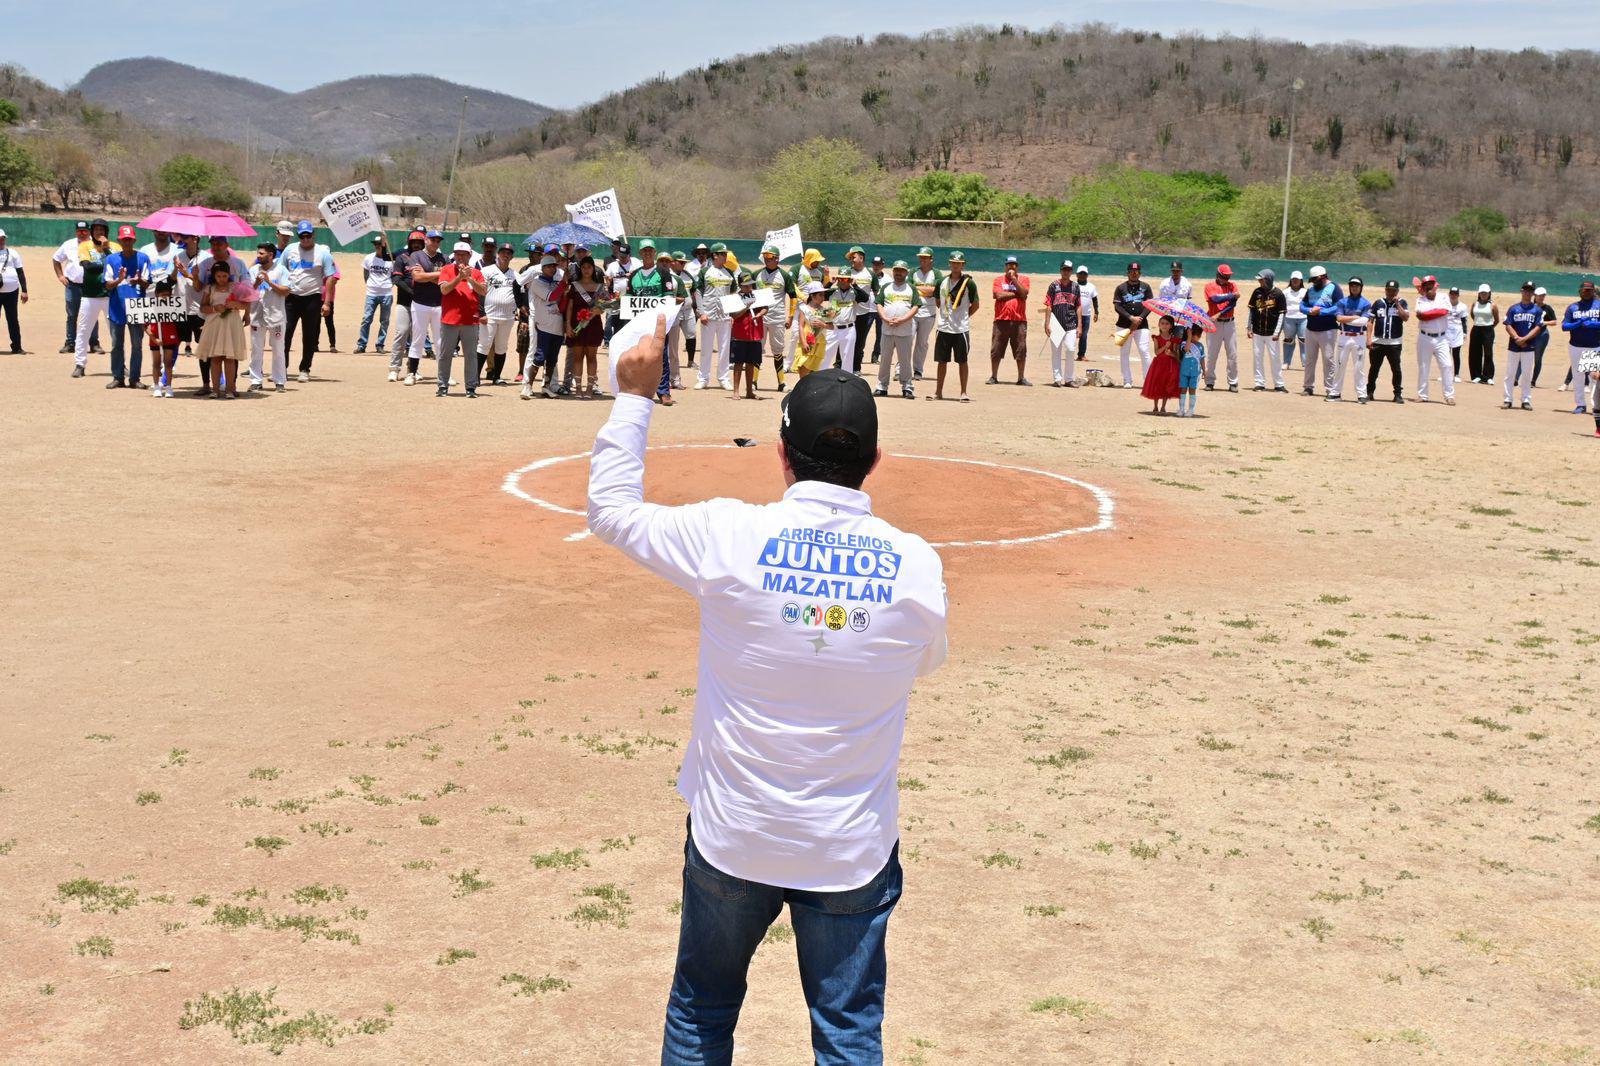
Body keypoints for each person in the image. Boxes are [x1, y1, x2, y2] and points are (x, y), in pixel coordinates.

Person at [588, 329, 947, 1066]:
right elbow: (924, 662)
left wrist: (632, 398)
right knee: (846, 1029)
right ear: (873, 461)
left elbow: (613, 513)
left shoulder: (729, 534)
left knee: (703, 1007)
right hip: (848, 844)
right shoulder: (914, 564)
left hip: (735, 832)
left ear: (783, 455)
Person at [190, 237, 251, 397]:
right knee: (213, 355)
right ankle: (212, 388)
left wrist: (242, 309)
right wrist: (195, 277)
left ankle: (231, 387)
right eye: (213, 244)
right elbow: (199, 290)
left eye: (219, 244)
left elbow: (247, 294)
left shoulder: (239, 265)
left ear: (226, 245)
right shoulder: (204, 264)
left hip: (231, 321)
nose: (216, 246)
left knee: (230, 355)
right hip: (212, 321)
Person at [279, 221, 339, 383]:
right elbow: (280, 271)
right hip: (291, 298)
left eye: (308, 236)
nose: (305, 239)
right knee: (285, 333)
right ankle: (281, 368)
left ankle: (305, 368)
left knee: (310, 335)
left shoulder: (323, 253)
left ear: (313, 235)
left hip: (312, 298)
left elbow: (330, 278)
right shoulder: (289, 251)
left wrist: (327, 303)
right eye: (302, 236)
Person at [625, 240, 682, 404]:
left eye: (650, 250)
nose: (648, 253)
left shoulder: (663, 273)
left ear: (654, 252)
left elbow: (668, 297)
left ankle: (664, 392)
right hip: (639, 322)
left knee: (661, 357)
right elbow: (629, 299)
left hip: (658, 323)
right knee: (638, 355)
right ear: (640, 253)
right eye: (644, 251)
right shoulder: (634, 275)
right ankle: (639, 390)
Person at [103, 225, 151, 390]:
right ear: (119, 241)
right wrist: (119, 280)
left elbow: (147, 283)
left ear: (134, 240)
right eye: (124, 240)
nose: (127, 242)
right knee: (117, 344)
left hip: (137, 307)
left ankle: (135, 378)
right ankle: (118, 377)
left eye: (129, 239)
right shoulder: (111, 260)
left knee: (137, 345)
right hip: (117, 307)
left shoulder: (143, 258)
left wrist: (139, 281)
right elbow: (108, 285)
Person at [437, 241, 487, 398]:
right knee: (445, 354)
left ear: (469, 256)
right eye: (457, 254)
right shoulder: (446, 270)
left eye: (463, 254)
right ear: (454, 255)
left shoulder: (477, 272)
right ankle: (442, 385)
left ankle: (471, 387)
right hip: (449, 320)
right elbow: (444, 290)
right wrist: (459, 277)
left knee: (471, 355)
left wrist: (470, 278)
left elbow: (483, 291)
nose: (460, 257)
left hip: (470, 321)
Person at [519, 252, 566, 399]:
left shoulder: (557, 283)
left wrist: (565, 292)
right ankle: (527, 386)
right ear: (543, 268)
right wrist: (564, 284)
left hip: (557, 325)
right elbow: (550, 297)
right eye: (549, 266)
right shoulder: (536, 282)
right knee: (539, 357)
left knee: (552, 359)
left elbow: (561, 305)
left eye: (554, 266)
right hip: (543, 325)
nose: (552, 269)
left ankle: (546, 387)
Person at [933, 251, 978, 402]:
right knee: (941, 361)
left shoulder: (969, 283)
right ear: (949, 264)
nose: (955, 265)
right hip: (944, 327)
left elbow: (976, 305)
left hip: (961, 329)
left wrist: (964, 316)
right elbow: (938, 302)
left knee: (962, 361)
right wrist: (947, 315)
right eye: (953, 262)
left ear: (963, 265)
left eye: (958, 263)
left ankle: (963, 392)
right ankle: (938, 392)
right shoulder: (941, 282)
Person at [71, 221, 114, 380]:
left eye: (101, 230)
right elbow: (88, 267)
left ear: (106, 232)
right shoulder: (85, 246)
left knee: (116, 332)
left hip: (111, 295)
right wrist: (106, 263)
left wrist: (106, 249)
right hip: (90, 294)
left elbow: (117, 266)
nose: (98, 232)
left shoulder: (115, 247)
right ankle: (80, 364)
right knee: (83, 330)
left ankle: (120, 365)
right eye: (95, 229)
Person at [405, 230, 448, 387]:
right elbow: (417, 277)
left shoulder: (444, 258)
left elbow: (446, 281)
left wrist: (428, 275)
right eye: (433, 240)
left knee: (440, 341)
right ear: (426, 240)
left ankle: (443, 375)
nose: (435, 243)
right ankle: (412, 373)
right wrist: (437, 274)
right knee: (418, 339)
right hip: (420, 303)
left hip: (439, 304)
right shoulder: (417, 256)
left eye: (438, 241)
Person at [873, 260, 921, 399]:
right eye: (896, 270)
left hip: (904, 330)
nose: (898, 273)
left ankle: (907, 387)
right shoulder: (886, 287)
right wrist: (885, 318)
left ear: (907, 272)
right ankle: (882, 387)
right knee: (885, 359)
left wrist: (903, 319)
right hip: (887, 330)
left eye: (901, 270)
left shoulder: (911, 288)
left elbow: (916, 306)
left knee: (905, 360)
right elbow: (879, 304)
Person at [751, 246, 796, 393]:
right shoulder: (757, 274)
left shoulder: (784, 275)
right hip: (759, 318)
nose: (766, 259)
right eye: (765, 257)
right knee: (757, 348)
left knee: (778, 350)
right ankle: (753, 381)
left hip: (777, 318)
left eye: (770, 257)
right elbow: (747, 292)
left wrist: (790, 316)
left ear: (777, 259)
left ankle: (781, 382)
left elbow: (793, 296)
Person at [693, 243, 737, 390]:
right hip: (708, 315)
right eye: (722, 254)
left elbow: (733, 293)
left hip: (724, 316)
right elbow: (698, 291)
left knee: (725, 349)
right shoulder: (705, 271)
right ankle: (703, 378)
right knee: (706, 348)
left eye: (726, 254)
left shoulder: (729, 273)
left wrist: (731, 313)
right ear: (715, 255)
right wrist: (701, 312)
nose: (725, 256)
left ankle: (723, 378)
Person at [564, 255, 608, 398]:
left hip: (593, 325)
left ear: (593, 268)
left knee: (591, 357)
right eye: (584, 267)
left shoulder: (600, 287)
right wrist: (568, 325)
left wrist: (597, 311)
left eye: (589, 267)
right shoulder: (575, 286)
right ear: (580, 269)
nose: (586, 270)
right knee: (577, 357)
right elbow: (569, 307)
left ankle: (589, 388)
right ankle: (577, 388)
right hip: (577, 325)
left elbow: (604, 307)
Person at [53, 220, 100, 355]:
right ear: (76, 231)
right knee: (72, 315)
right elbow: (56, 259)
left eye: (84, 230)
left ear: (89, 231)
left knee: (92, 315)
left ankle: (94, 344)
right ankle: (70, 343)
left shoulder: (95, 244)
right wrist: (60, 276)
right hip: (72, 285)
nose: (82, 233)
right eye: (79, 231)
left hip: (90, 285)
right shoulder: (68, 244)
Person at [248, 242, 290, 393]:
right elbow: (247, 293)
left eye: (261, 253)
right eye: (258, 253)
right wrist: (255, 284)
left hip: (276, 315)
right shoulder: (253, 270)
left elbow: (286, 290)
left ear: (271, 255)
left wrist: (269, 282)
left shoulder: (281, 270)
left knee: (278, 349)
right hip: (257, 315)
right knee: (256, 349)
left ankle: (279, 381)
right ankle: (255, 380)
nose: (258, 256)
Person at [477, 243, 520, 385]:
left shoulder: (515, 275)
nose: (505, 255)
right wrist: (481, 312)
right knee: (484, 345)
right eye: (503, 252)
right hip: (489, 315)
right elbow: (479, 293)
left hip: (507, 317)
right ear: (498, 254)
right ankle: (475, 376)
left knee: (502, 346)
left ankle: (497, 377)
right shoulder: (487, 271)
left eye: (509, 253)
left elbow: (520, 294)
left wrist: (519, 310)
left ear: (512, 256)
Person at [1411, 275, 1455, 405]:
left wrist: (1428, 314)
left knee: (1447, 365)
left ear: (1435, 285)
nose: (1429, 286)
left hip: (1442, 338)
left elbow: (1444, 311)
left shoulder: (1444, 297)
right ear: (1423, 287)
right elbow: (1420, 316)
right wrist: (1433, 313)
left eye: (1431, 284)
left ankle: (1449, 396)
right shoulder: (1420, 300)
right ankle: (1423, 395)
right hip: (1425, 337)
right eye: (1426, 285)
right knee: (1424, 367)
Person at [1328, 277, 1373, 404]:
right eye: (1352, 285)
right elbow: (1339, 318)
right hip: (1344, 336)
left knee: (1358, 367)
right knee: (1340, 366)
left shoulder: (1366, 303)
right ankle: (1335, 393)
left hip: (1359, 338)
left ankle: (1361, 394)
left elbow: (1363, 321)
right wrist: (1354, 317)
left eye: (1357, 285)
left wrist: (1346, 318)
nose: (1354, 287)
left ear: (1361, 287)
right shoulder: (1342, 302)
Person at [1299, 266, 1342, 396]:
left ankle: (1330, 389)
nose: (1312, 282)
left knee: (1328, 359)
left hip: (1328, 329)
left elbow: (1339, 306)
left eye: (1315, 279)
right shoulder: (1311, 290)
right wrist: (1310, 311)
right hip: (1310, 329)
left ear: (1322, 277)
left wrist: (1322, 312)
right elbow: (1302, 305)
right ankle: (1308, 386)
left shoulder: (1334, 287)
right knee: (1309, 360)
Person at [988, 255, 1031, 386]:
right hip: (1001, 320)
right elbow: (998, 295)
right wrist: (1015, 293)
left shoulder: (1024, 279)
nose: (1011, 267)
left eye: (1014, 265)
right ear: (1005, 266)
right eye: (1009, 265)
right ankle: (994, 376)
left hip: (1019, 320)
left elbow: (1024, 293)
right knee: (996, 349)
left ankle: (1021, 378)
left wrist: (1014, 279)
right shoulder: (998, 280)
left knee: (1021, 350)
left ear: (1017, 267)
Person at [388, 230, 425, 381]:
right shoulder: (401, 258)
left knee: (417, 336)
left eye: (419, 243)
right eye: (413, 243)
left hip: (422, 303)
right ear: (409, 244)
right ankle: (394, 368)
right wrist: (411, 292)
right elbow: (396, 280)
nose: (416, 245)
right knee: (402, 332)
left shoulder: (425, 259)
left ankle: (413, 369)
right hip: (404, 302)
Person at [1560, 278, 1600, 416]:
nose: (1587, 292)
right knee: (1578, 376)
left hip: (1593, 346)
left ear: (1593, 291)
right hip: (1576, 346)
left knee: (1594, 377)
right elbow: (1564, 326)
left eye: (1589, 290)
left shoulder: (1598, 306)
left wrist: (1593, 325)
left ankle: (1596, 406)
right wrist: (1578, 324)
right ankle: (1581, 405)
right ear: (1580, 292)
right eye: (1584, 290)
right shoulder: (1573, 307)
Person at [1043, 260, 1085, 387]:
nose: (1066, 272)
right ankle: (1057, 379)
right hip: (1056, 323)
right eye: (1064, 269)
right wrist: (1047, 323)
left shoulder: (1075, 286)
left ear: (1071, 272)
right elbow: (1048, 305)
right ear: (1060, 270)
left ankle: (1069, 379)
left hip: (1071, 323)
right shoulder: (1053, 286)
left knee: (1071, 349)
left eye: (1068, 270)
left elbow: (1078, 306)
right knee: (1056, 352)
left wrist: (1080, 325)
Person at [1111, 262, 1154, 388]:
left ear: (1139, 273)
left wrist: (1139, 318)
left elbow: (1149, 304)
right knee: (1124, 353)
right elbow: (1117, 306)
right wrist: (1130, 317)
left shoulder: (1146, 287)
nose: (1134, 274)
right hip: (1123, 325)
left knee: (1144, 351)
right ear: (1128, 273)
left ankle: (1148, 380)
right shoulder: (1120, 288)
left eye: (1136, 272)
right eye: (1131, 272)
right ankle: (1127, 380)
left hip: (1142, 324)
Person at [1502, 283, 1544, 412]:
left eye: (1530, 291)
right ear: (1521, 291)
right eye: (1525, 290)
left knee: (1526, 374)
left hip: (1529, 345)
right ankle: (1508, 399)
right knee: (1510, 374)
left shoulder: (1537, 310)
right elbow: (1508, 325)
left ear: (1533, 294)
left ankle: (1526, 400)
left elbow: (1538, 327)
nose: (1527, 293)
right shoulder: (1513, 308)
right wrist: (1516, 338)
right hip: (1514, 345)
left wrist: (1525, 339)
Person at [1366, 280, 1409, 404]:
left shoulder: (1402, 303)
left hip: (1394, 343)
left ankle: (1398, 394)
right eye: (1389, 290)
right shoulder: (1378, 303)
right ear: (1385, 290)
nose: (1391, 293)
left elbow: (1405, 318)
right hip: (1378, 342)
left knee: (1396, 369)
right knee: (1374, 368)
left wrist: (1397, 304)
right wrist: (1368, 339)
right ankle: (1369, 392)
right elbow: (1370, 321)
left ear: (1397, 291)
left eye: (1393, 291)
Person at [1246, 268, 1287, 392]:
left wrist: (1277, 332)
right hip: (1257, 332)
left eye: (1261, 279)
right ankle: (1259, 383)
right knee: (1257, 357)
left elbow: (1282, 314)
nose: (1259, 282)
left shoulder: (1278, 294)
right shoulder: (1257, 292)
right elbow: (1252, 311)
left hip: (1272, 333)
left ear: (1268, 279)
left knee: (1275, 358)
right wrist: (1249, 327)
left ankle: (1279, 384)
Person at [1202, 264, 1240, 391]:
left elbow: (1232, 304)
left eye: (1228, 277)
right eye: (1225, 276)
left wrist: (1219, 313)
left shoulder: (1232, 285)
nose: (1227, 279)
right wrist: (1232, 295)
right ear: (1218, 275)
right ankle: (1210, 382)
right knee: (1212, 354)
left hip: (1229, 323)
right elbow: (1215, 299)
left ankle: (1233, 382)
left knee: (1232, 354)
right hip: (1214, 324)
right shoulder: (1209, 286)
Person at [728, 274, 765, 400]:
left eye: (750, 285)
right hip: (740, 335)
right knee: (738, 364)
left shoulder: (756, 295)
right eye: (746, 285)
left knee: (751, 363)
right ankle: (736, 391)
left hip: (755, 334)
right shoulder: (734, 298)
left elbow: (766, 308)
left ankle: (749, 391)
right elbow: (734, 315)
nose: (749, 287)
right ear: (740, 286)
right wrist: (747, 307)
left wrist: (759, 314)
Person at [355, 233, 393, 355]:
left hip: (386, 294)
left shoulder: (391, 260)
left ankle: (380, 344)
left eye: (379, 244)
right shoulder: (369, 258)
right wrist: (370, 284)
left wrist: (387, 285)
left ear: (384, 246)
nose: (377, 246)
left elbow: (394, 276)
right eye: (375, 244)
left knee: (384, 321)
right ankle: (362, 345)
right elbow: (366, 272)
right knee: (366, 319)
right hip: (371, 293)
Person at [785, 281, 830, 379]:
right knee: (803, 366)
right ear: (813, 296)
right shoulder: (804, 309)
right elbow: (801, 326)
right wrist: (803, 342)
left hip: (819, 342)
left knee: (814, 370)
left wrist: (823, 324)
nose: (823, 297)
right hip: (806, 341)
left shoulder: (824, 310)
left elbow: (832, 326)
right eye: (820, 295)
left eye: (823, 295)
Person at [823, 269, 865, 373]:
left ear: (850, 280)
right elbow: (818, 294)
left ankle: (846, 380)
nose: (842, 281)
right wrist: (830, 283)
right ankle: (819, 377)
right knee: (825, 354)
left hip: (849, 329)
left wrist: (855, 286)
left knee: (847, 357)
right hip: (833, 328)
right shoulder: (833, 292)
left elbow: (865, 298)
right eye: (840, 278)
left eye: (845, 279)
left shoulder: (854, 293)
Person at [146, 279, 181, 398]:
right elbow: (144, 326)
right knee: (156, 364)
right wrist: (154, 338)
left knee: (168, 364)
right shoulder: (150, 307)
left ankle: (169, 387)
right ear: (156, 294)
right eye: (162, 295)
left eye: (167, 295)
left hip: (170, 339)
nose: (165, 297)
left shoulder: (175, 306)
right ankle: (156, 387)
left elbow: (179, 320)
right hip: (155, 339)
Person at [845, 246, 877, 373]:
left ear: (861, 258)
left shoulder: (871, 274)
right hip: (847, 312)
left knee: (859, 342)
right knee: (844, 339)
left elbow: (876, 292)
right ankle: (840, 366)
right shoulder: (847, 271)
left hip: (863, 313)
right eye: (850, 258)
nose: (851, 260)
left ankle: (856, 368)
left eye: (853, 257)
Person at [1141, 314, 1181, 414]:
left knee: (1166, 385)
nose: (1164, 325)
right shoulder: (1156, 338)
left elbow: (1177, 355)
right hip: (1158, 365)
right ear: (1159, 325)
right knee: (1157, 384)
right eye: (1162, 323)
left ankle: (1163, 406)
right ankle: (1155, 406)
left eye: (1167, 324)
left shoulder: (1174, 340)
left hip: (1170, 365)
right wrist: (1165, 347)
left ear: (1171, 326)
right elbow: (1156, 352)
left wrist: (1171, 353)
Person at [910, 248, 939, 380]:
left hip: (929, 313)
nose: (922, 260)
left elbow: (936, 290)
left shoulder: (936, 273)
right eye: (921, 257)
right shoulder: (913, 272)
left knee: (922, 343)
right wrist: (927, 290)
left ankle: (918, 370)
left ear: (931, 259)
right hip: (912, 312)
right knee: (906, 340)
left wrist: (918, 288)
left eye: (925, 257)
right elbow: (909, 288)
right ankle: (901, 369)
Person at [1467, 284, 1499, 384]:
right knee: (1475, 353)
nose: (1483, 295)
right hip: (1476, 328)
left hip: (1488, 329)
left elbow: (1496, 320)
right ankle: (1476, 375)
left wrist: (1489, 328)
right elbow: (1472, 315)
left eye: (1485, 293)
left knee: (1488, 353)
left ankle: (1488, 376)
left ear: (1489, 293)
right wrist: (1478, 324)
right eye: (1481, 293)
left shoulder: (1492, 305)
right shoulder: (1474, 304)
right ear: (1479, 293)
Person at [0, 228, 25, 354]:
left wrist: (24, 290)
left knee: (13, 319)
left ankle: (17, 346)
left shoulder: (13, 253)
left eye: (2, 238)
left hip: (12, 291)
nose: (1, 241)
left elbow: (20, 272)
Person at [1280, 270, 1306, 369]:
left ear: (1301, 280)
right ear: (1290, 280)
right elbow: (1281, 305)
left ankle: (1305, 363)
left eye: (1297, 279)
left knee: (1303, 340)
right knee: (1288, 340)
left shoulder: (1305, 292)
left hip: (1303, 318)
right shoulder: (1285, 292)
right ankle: (1286, 362)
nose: (1295, 281)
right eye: (1293, 279)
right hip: (1288, 318)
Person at [1177, 324, 1204, 417]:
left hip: (1195, 372)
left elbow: (1202, 359)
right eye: (1197, 335)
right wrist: (1188, 337)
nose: (1199, 337)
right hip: (1184, 371)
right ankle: (1181, 409)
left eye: (1200, 335)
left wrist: (1205, 370)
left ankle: (1191, 409)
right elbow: (1187, 349)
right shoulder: (1184, 343)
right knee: (1183, 390)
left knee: (1192, 390)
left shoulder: (1201, 346)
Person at [1532, 287, 1556, 388]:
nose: (1541, 297)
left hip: (1542, 335)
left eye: (1543, 295)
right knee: (1524, 356)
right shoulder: (1530, 307)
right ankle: (1516, 378)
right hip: (1529, 334)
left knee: (1537, 358)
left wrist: (1544, 322)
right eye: (1539, 295)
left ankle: (1533, 381)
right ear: (1535, 296)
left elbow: (1554, 321)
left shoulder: (1547, 308)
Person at [1075, 265, 1098, 363]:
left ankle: (1081, 355)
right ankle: (1069, 353)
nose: (1082, 275)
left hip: (1086, 315)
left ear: (1087, 275)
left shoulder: (1091, 286)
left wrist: (1096, 312)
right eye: (1080, 273)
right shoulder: (1073, 285)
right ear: (1077, 274)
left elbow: (1095, 300)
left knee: (1083, 335)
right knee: (1071, 334)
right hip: (1073, 314)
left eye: (1084, 274)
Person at [1444, 285, 1469, 376]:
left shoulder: (1462, 306)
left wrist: (1465, 333)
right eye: (1452, 294)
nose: (1453, 295)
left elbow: (1463, 321)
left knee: (1456, 354)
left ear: (1458, 295)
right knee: (1446, 355)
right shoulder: (1445, 305)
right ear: (1449, 294)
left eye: (1455, 294)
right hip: (1446, 332)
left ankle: (1456, 374)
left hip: (1457, 332)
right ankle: (1445, 374)